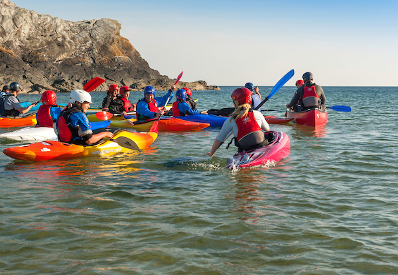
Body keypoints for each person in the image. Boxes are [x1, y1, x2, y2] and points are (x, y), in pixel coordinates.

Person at [207, 87, 270, 157]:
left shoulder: (231, 120)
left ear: (235, 103)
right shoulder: (257, 114)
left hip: (245, 150)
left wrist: (211, 153)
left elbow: (218, 140)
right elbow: (267, 129)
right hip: (261, 147)